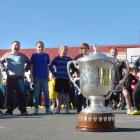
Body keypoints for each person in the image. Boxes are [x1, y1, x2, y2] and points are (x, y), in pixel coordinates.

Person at [0, 41, 30, 115]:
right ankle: (9, 110)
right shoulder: (7, 55)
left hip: (20, 77)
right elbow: (0, 62)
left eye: (18, 45)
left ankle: (23, 110)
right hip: (10, 77)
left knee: (22, 93)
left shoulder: (22, 55)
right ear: (11, 46)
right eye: (15, 45)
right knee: (9, 94)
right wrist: (4, 70)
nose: (17, 47)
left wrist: (26, 69)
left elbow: (29, 62)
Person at [49, 45, 72, 113]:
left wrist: (70, 74)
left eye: (66, 50)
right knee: (58, 94)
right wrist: (54, 73)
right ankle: (58, 108)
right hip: (58, 78)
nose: (65, 51)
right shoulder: (56, 58)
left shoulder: (69, 59)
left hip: (66, 78)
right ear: (60, 50)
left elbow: (74, 66)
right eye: (64, 50)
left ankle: (67, 109)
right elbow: (50, 66)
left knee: (66, 94)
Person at [110, 48, 132, 114]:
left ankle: (129, 108)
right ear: (110, 53)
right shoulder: (107, 62)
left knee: (126, 94)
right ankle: (102, 110)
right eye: (112, 52)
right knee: (103, 96)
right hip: (110, 83)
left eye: (114, 52)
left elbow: (127, 70)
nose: (113, 53)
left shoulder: (120, 62)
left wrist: (123, 79)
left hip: (119, 83)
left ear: (117, 53)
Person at [31, 41, 51, 114]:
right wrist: (31, 75)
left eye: (42, 46)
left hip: (44, 77)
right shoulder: (34, 55)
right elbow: (32, 66)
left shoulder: (46, 55)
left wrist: (48, 75)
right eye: (39, 47)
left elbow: (47, 66)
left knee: (46, 93)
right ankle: (36, 108)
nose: (40, 48)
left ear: (43, 47)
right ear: (36, 48)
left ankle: (47, 108)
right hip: (36, 77)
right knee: (36, 93)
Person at [72, 43, 89, 113]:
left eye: (85, 48)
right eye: (82, 48)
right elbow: (72, 66)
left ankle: (86, 108)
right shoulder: (77, 57)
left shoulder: (90, 57)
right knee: (79, 94)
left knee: (87, 94)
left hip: (88, 78)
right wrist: (75, 72)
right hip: (79, 78)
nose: (84, 49)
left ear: (88, 49)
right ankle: (79, 109)